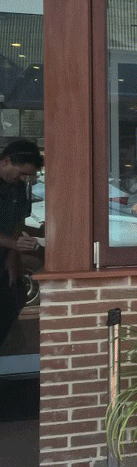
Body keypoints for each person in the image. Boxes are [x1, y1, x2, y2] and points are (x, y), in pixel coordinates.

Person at [0, 139, 44, 347]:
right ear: (5, 161)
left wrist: (12, 255)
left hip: (4, 259)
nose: (23, 178)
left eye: (28, 175)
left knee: (14, 299)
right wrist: (13, 244)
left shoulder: (18, 188)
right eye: (22, 173)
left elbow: (18, 221)